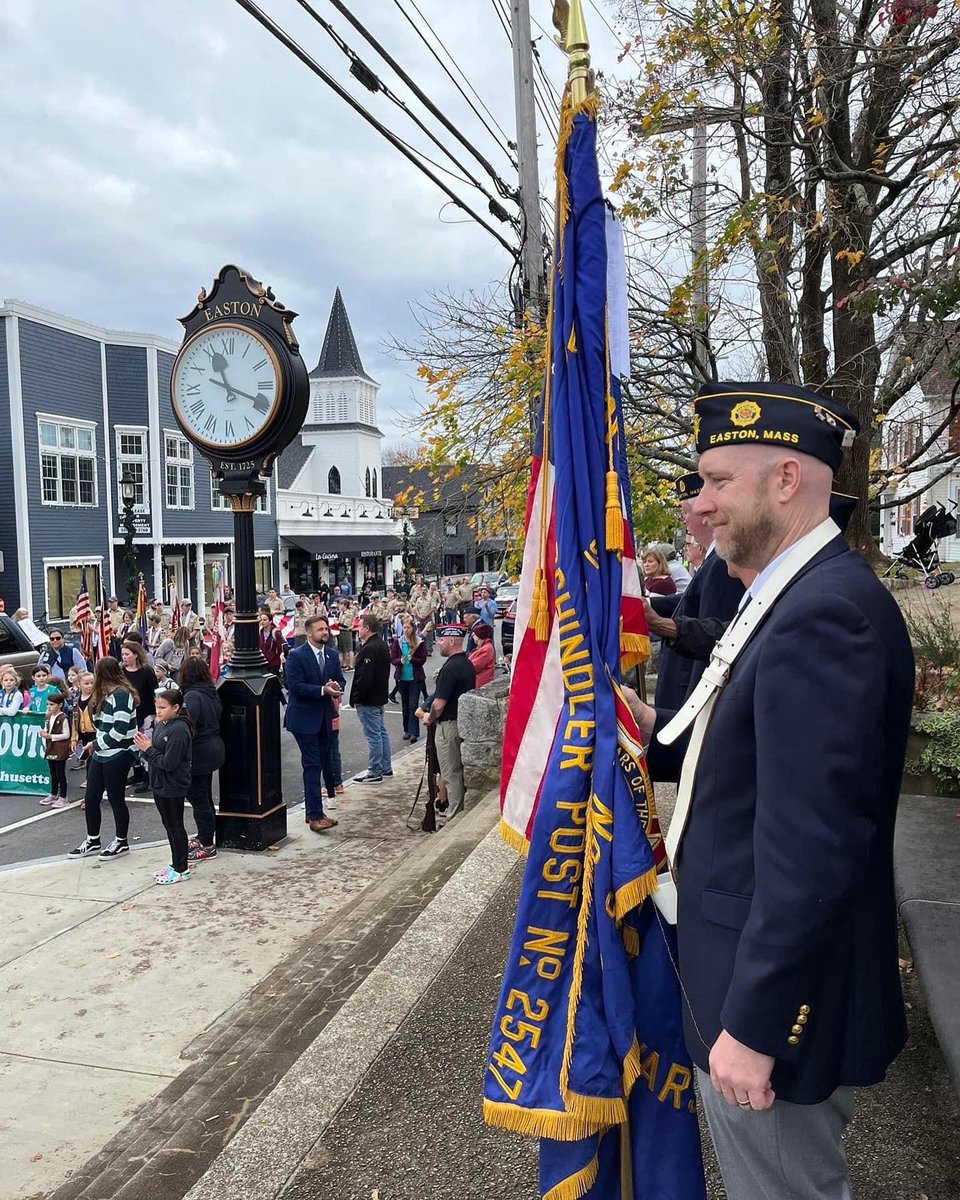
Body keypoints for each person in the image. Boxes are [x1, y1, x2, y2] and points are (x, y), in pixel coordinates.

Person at [626, 381, 913, 1200]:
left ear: (787, 479)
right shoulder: (794, 592)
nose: (700, 503)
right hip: (750, 975)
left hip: (774, 1012)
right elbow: (743, 758)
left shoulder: (823, 615)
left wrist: (755, 1027)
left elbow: (815, 849)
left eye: (718, 481)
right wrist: (640, 724)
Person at [651, 473, 745, 717]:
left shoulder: (721, 565)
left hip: (689, 691)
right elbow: (689, 602)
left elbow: (711, 633)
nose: (683, 520)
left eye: (685, 511)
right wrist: (650, 605)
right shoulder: (713, 560)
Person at [67, 657, 138, 860]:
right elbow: (101, 726)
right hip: (101, 752)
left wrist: (96, 744)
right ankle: (93, 840)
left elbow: (120, 730)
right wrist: (95, 744)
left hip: (120, 752)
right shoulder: (104, 695)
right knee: (91, 798)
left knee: (116, 799)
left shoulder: (121, 695)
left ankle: (122, 841)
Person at [284, 615, 345, 831]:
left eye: (326, 628)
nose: (325, 632)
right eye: (320, 629)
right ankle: (315, 817)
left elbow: (340, 678)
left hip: (324, 718)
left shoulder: (331, 654)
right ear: (309, 633)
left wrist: (337, 686)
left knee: (321, 762)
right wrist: (322, 690)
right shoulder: (297, 656)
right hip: (303, 719)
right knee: (312, 764)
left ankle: (313, 812)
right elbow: (294, 686)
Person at [134, 687, 193, 885]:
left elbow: (169, 762)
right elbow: (156, 752)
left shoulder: (179, 730)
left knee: (175, 825)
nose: (158, 711)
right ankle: (176, 864)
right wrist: (146, 748)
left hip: (173, 784)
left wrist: (148, 749)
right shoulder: (162, 725)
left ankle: (182, 868)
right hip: (159, 782)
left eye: (163, 707)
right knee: (169, 825)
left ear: (176, 707)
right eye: (157, 707)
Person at [421, 624, 476, 822]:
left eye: (442, 640)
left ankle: (454, 815)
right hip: (461, 722)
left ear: (452, 641)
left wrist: (429, 717)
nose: (439, 643)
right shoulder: (467, 664)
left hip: (448, 725)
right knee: (455, 771)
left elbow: (438, 704)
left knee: (450, 772)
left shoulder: (450, 668)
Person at [178, 657, 224, 862]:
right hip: (213, 748)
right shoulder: (210, 691)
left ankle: (207, 843)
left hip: (199, 752)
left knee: (198, 799)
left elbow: (187, 725)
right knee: (204, 796)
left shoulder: (192, 696)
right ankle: (205, 835)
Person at [350, 613, 392, 784]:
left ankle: (375, 771)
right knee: (381, 733)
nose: (358, 629)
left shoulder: (369, 648)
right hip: (379, 696)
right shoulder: (381, 644)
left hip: (369, 699)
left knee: (374, 735)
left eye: (360, 626)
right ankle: (385, 767)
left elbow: (364, 677)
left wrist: (357, 697)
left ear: (367, 628)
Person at [120, 640, 158, 794]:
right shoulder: (121, 672)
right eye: (123, 654)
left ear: (135, 655)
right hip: (128, 714)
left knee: (145, 745)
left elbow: (155, 693)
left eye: (127, 654)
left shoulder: (147, 671)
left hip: (146, 713)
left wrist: (157, 713)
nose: (124, 657)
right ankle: (137, 774)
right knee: (131, 745)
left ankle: (148, 778)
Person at [390, 617, 427, 744]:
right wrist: (399, 661)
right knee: (405, 706)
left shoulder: (419, 642)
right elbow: (392, 658)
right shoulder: (398, 642)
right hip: (402, 678)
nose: (406, 630)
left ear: (413, 628)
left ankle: (414, 732)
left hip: (415, 679)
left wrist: (413, 660)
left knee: (413, 705)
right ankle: (407, 730)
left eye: (408, 627)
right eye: (404, 627)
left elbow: (422, 659)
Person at [39, 692, 71, 808]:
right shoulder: (48, 717)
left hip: (60, 749)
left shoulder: (63, 718)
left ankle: (63, 797)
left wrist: (51, 736)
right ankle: (53, 794)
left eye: (52, 704)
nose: (49, 707)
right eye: (47, 704)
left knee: (60, 773)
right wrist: (43, 733)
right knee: (52, 772)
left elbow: (66, 734)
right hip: (50, 748)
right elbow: (46, 728)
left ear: (60, 705)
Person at [468, 622, 496, 687]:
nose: (473, 637)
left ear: (479, 636)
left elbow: (474, 667)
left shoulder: (486, 649)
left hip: (480, 684)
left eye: (474, 635)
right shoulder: (483, 647)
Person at [258, 610, 285, 675]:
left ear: (270, 621)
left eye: (265, 620)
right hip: (263, 664)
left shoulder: (276, 633)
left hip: (274, 664)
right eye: (261, 620)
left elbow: (281, 648)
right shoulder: (260, 633)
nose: (262, 622)